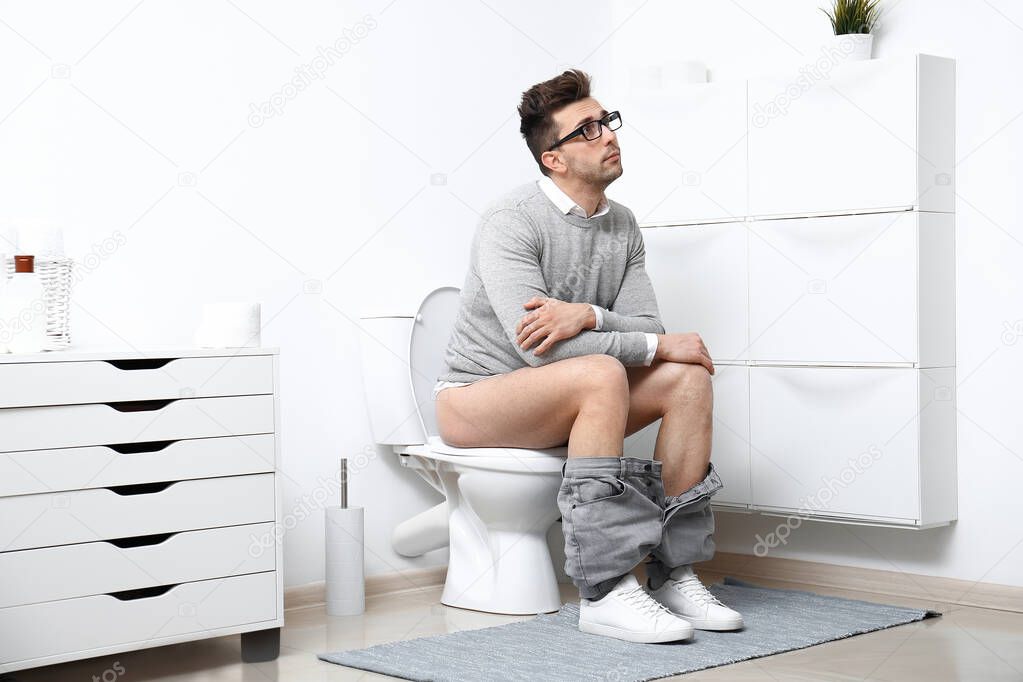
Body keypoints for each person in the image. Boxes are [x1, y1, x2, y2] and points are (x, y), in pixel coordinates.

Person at [433, 68, 743, 643]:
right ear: (553, 158)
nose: (608, 135)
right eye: (588, 129)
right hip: (476, 400)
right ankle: (605, 589)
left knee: (687, 378)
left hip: (563, 398)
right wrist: (635, 341)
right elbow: (542, 353)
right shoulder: (511, 221)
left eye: (608, 122)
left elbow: (647, 327)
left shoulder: (622, 224)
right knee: (602, 372)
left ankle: (673, 573)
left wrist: (589, 314)